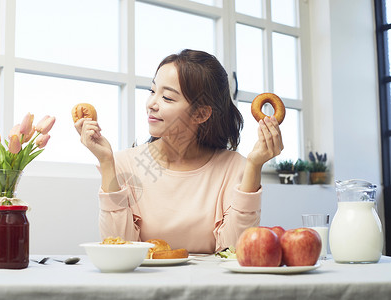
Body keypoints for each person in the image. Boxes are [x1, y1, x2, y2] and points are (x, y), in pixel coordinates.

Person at [75, 49, 283, 253]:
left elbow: (235, 250)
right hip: (144, 285)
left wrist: (255, 166)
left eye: (167, 97)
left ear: (201, 114)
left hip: (213, 285)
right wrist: (105, 161)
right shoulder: (122, 164)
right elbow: (119, 249)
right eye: (152, 91)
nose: (151, 104)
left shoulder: (236, 167)